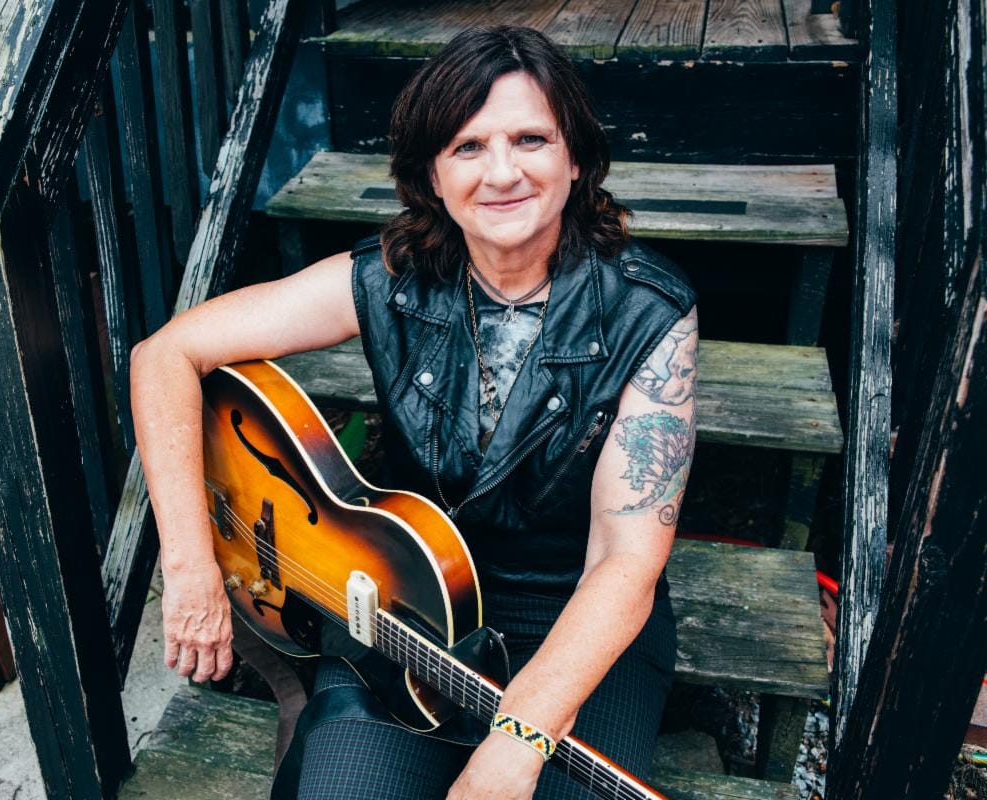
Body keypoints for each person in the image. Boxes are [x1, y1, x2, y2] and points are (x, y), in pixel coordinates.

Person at [130, 25, 699, 800]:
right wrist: (192, 569)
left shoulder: (648, 310)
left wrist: (518, 739)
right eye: (467, 147)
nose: (502, 172)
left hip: (574, 614)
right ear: (431, 174)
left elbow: (625, 562)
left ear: (575, 158)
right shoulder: (390, 277)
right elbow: (164, 356)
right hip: (399, 595)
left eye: (531, 138)